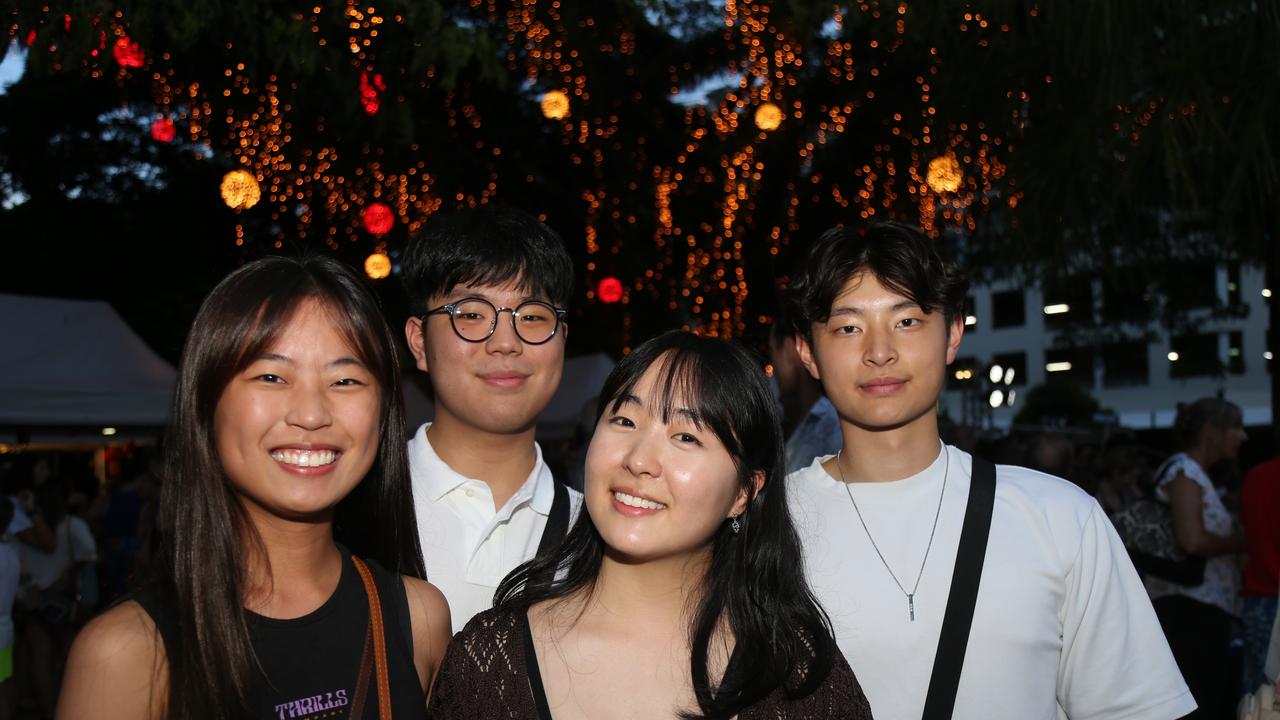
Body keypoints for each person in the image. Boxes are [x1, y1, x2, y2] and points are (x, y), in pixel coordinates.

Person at [784, 222, 1194, 719]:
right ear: (808, 351)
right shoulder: (765, 530)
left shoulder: (1060, 518)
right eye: (848, 327)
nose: (879, 351)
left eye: (908, 321)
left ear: (953, 333)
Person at [57, 255, 451, 719]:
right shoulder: (126, 654)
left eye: (345, 380)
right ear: (206, 404)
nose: (310, 414)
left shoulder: (418, 619)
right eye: (271, 376)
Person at [428, 331, 871, 719]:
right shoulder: (490, 662)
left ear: (744, 493)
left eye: (686, 437)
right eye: (624, 420)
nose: (638, 460)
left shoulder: (801, 680)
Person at [401, 206, 584, 633]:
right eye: (470, 314)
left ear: (562, 342)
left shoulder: (597, 536)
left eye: (533, 317)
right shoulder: (355, 506)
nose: (505, 342)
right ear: (419, 342)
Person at [1146, 398, 1248, 718]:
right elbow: (1192, 540)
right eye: (1235, 428)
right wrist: (1243, 541)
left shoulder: (1195, 474)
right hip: (1188, 613)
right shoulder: (1184, 471)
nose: (1243, 436)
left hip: (1199, 611)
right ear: (1210, 432)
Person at [768, 304, 842, 474]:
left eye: (774, 352)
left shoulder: (828, 430)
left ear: (790, 350)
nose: (774, 369)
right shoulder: (815, 424)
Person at [1242, 449, 1280, 696]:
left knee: (1263, 694)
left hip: (1261, 597)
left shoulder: (1259, 475)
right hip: (1267, 595)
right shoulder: (1263, 476)